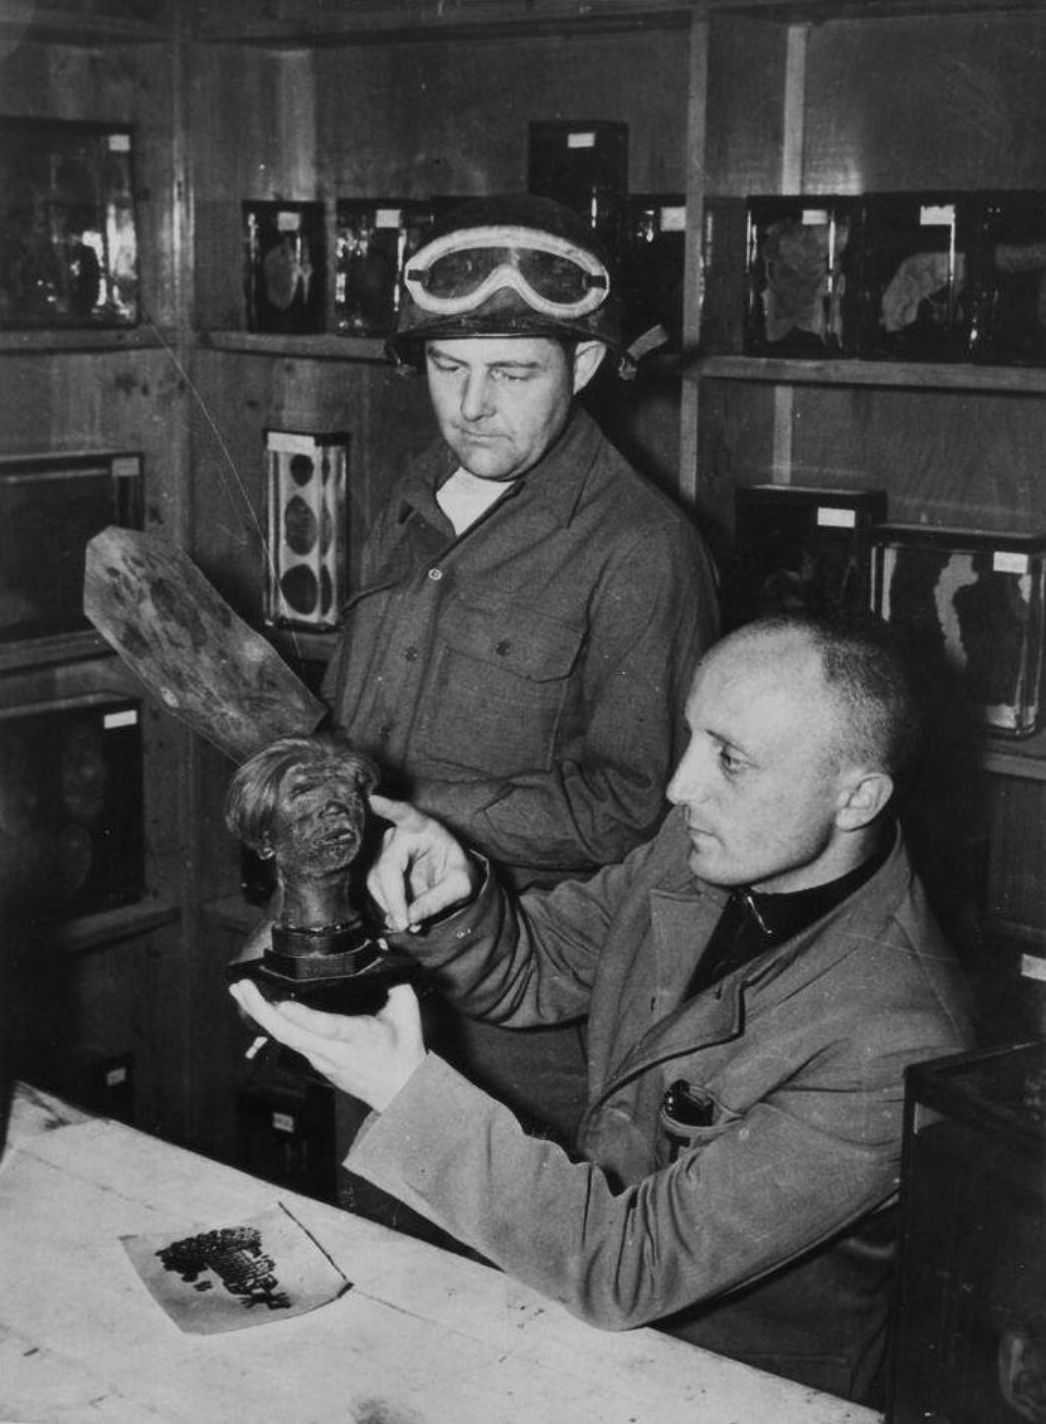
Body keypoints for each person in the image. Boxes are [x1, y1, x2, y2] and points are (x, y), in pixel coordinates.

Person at [232, 609, 974, 1405]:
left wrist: (404, 1094)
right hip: (581, 1317)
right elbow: (538, 967)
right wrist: (456, 900)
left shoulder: (893, 1040)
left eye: (731, 759)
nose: (680, 787)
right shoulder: (709, 851)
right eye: (692, 738)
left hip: (734, 1391)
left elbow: (633, 1265)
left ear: (857, 797)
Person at [319, 192, 718, 1136]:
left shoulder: (642, 549)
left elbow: (642, 807)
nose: (471, 406)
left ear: (581, 366)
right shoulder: (416, 495)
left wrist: (422, 815)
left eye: (512, 373)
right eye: (448, 366)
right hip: (371, 954)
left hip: (522, 997)